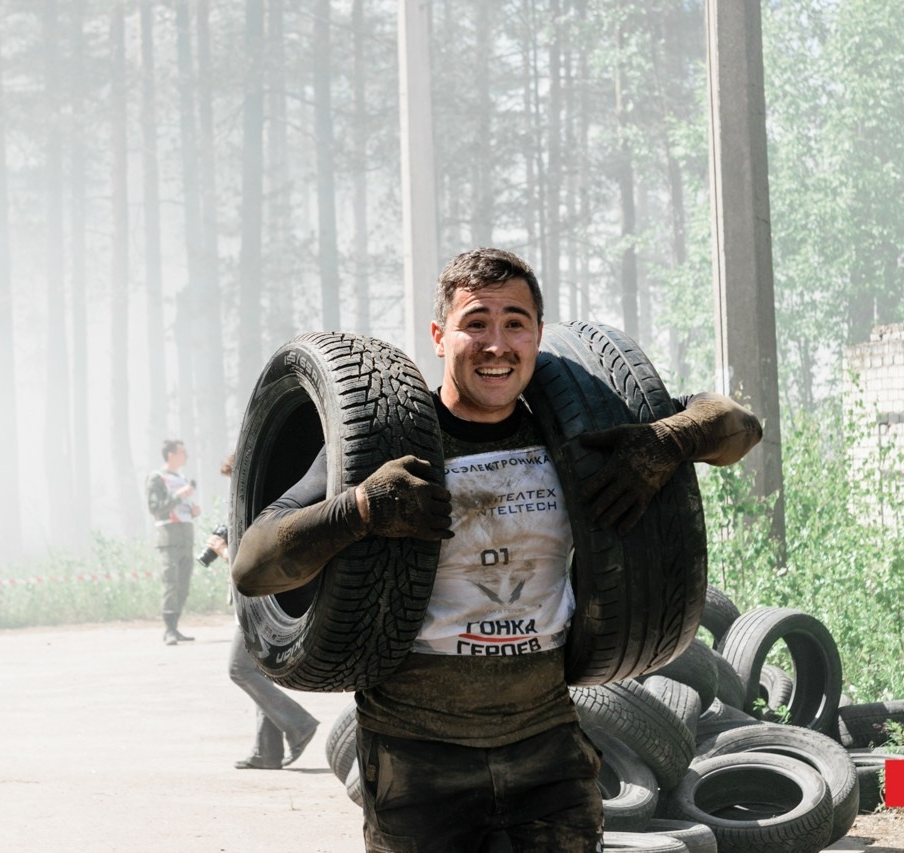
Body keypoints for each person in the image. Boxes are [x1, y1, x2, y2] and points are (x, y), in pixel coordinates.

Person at [232, 247, 763, 852]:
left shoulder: (579, 434)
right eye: (475, 323)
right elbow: (253, 566)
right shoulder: (388, 442)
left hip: (548, 751)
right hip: (418, 761)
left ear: (538, 334)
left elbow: (740, 426)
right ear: (440, 335)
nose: (496, 344)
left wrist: (669, 440)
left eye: (515, 323)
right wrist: (359, 509)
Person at [207, 453, 320, 770]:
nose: (233, 489)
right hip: (260, 601)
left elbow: (249, 562)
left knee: (239, 670)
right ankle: (266, 751)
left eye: (233, 480)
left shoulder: (257, 507)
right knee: (257, 672)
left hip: (257, 604)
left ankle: (299, 724)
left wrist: (222, 550)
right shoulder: (269, 499)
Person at [146, 439, 200, 645]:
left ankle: (175, 627)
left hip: (186, 536)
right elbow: (155, 508)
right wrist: (178, 496)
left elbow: (183, 507)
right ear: (171, 455)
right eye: (182, 452)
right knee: (171, 582)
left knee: (183, 584)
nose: (185, 456)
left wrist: (194, 510)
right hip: (169, 537)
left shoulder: (182, 478)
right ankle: (169, 630)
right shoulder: (157, 478)